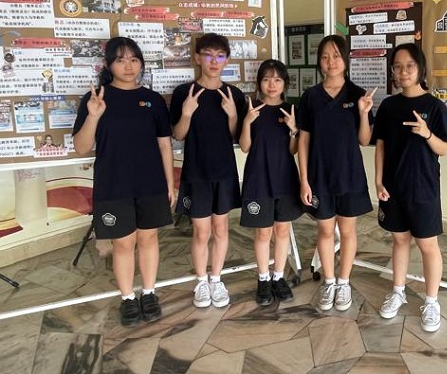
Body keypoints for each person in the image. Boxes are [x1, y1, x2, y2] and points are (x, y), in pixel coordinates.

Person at [72, 36, 175, 327]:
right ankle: (128, 298)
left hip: (150, 182)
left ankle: (149, 293)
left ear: (141, 63)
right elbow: (81, 147)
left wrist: (169, 184)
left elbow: (164, 145)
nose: (128, 66)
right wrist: (94, 116)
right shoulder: (95, 99)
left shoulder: (153, 100)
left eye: (133, 59)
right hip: (113, 183)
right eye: (120, 60)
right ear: (108, 65)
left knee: (149, 238)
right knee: (123, 243)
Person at [374, 44, 447, 332]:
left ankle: (431, 302)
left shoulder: (435, 107)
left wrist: (427, 133)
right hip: (392, 187)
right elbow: (380, 146)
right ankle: (398, 291)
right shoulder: (388, 106)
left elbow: (444, 149)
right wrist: (378, 181)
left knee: (428, 245)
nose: (403, 71)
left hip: (423, 187)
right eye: (397, 66)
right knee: (400, 241)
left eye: (409, 66)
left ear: (420, 69)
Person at [297, 34, 375, 312]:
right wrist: (304, 180)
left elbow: (364, 140)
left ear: (346, 59)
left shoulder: (357, 95)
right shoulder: (310, 97)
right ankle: (329, 281)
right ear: (319, 61)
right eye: (325, 56)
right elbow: (303, 141)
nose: (331, 62)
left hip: (349, 174)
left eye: (336, 56)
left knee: (348, 230)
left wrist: (363, 113)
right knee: (325, 229)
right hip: (319, 175)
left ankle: (343, 283)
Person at [170, 33, 247, 309]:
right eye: (208, 55)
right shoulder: (184, 93)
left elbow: (237, 137)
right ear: (197, 58)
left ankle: (216, 279)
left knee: (221, 228)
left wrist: (233, 114)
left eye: (220, 56)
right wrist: (187, 113)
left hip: (224, 171)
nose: (214, 61)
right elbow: (178, 135)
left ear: (226, 60)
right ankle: (201, 281)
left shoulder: (234, 94)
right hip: (196, 172)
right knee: (201, 232)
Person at [239, 59, 302, 306]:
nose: (272, 84)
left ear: (285, 83)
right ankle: (263, 278)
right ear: (259, 83)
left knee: (283, 230)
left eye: (277, 79)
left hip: (285, 178)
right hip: (258, 179)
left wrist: (293, 129)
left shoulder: (290, 110)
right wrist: (247, 122)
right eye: (266, 79)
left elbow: (293, 150)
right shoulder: (251, 108)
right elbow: (245, 147)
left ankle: (279, 276)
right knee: (263, 231)